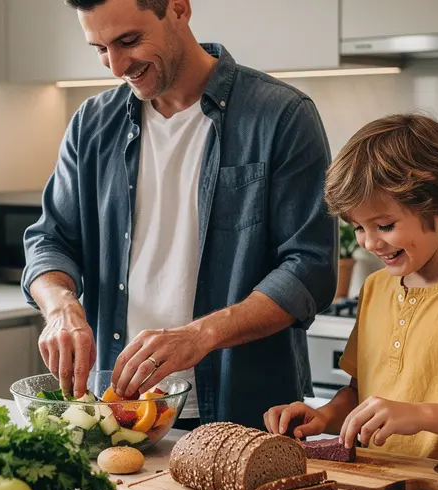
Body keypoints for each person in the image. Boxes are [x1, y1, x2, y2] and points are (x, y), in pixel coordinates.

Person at [22, 0, 336, 429]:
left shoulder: (280, 116)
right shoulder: (92, 124)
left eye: (129, 41)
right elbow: (50, 240)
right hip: (116, 412)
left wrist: (199, 336)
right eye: (99, 48)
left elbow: (309, 268)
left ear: (179, 9)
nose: (116, 66)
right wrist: (60, 307)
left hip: (245, 412)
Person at [264, 113, 438, 475]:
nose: (370, 242)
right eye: (358, 228)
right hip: (379, 489)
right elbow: (361, 394)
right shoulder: (376, 288)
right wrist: (325, 416)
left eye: (385, 225)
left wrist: (421, 414)